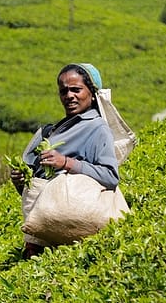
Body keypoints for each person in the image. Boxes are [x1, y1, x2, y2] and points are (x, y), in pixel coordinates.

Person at [9, 63, 119, 259]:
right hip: (42, 232)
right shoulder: (51, 131)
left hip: (72, 227)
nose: (69, 96)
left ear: (92, 93)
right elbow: (38, 187)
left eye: (76, 90)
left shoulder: (97, 128)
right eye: (64, 91)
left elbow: (110, 176)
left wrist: (66, 162)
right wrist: (21, 181)